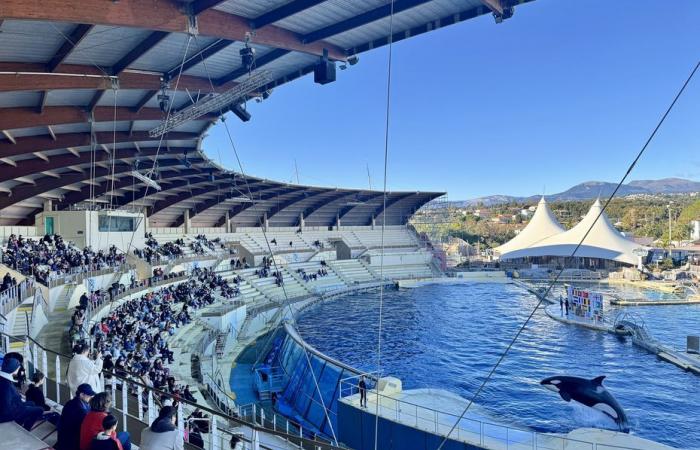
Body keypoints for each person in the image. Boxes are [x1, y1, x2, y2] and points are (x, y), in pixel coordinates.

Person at [0, 356, 44, 430]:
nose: (18, 370)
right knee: (40, 410)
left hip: (14, 405)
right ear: (13, 370)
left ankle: (22, 422)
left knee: (32, 403)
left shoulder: (3, 379)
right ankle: (25, 428)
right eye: (17, 368)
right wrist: (22, 409)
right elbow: (7, 409)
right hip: (10, 413)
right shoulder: (7, 386)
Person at [56, 383, 96, 450]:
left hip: (64, 437)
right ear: (81, 395)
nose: (90, 397)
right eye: (89, 395)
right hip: (71, 441)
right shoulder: (80, 409)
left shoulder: (71, 402)